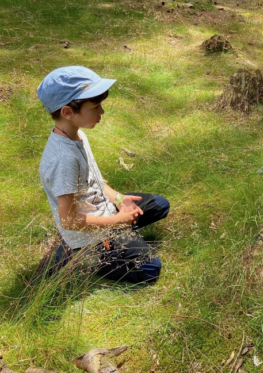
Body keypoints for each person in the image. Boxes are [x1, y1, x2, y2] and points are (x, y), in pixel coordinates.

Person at [37, 66, 170, 283]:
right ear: (68, 112)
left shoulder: (77, 134)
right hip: (90, 231)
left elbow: (95, 181)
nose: (102, 113)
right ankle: (85, 255)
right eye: (96, 107)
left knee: (159, 205)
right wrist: (117, 221)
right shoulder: (64, 159)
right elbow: (69, 219)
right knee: (149, 271)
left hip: (104, 212)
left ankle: (111, 240)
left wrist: (119, 199)